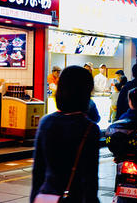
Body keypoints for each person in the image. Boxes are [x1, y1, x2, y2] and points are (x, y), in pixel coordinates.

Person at [30, 66, 100, 202]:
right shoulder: (90, 128)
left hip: (47, 195)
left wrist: (34, 198)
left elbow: (38, 172)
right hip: (75, 197)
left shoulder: (46, 122)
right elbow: (90, 178)